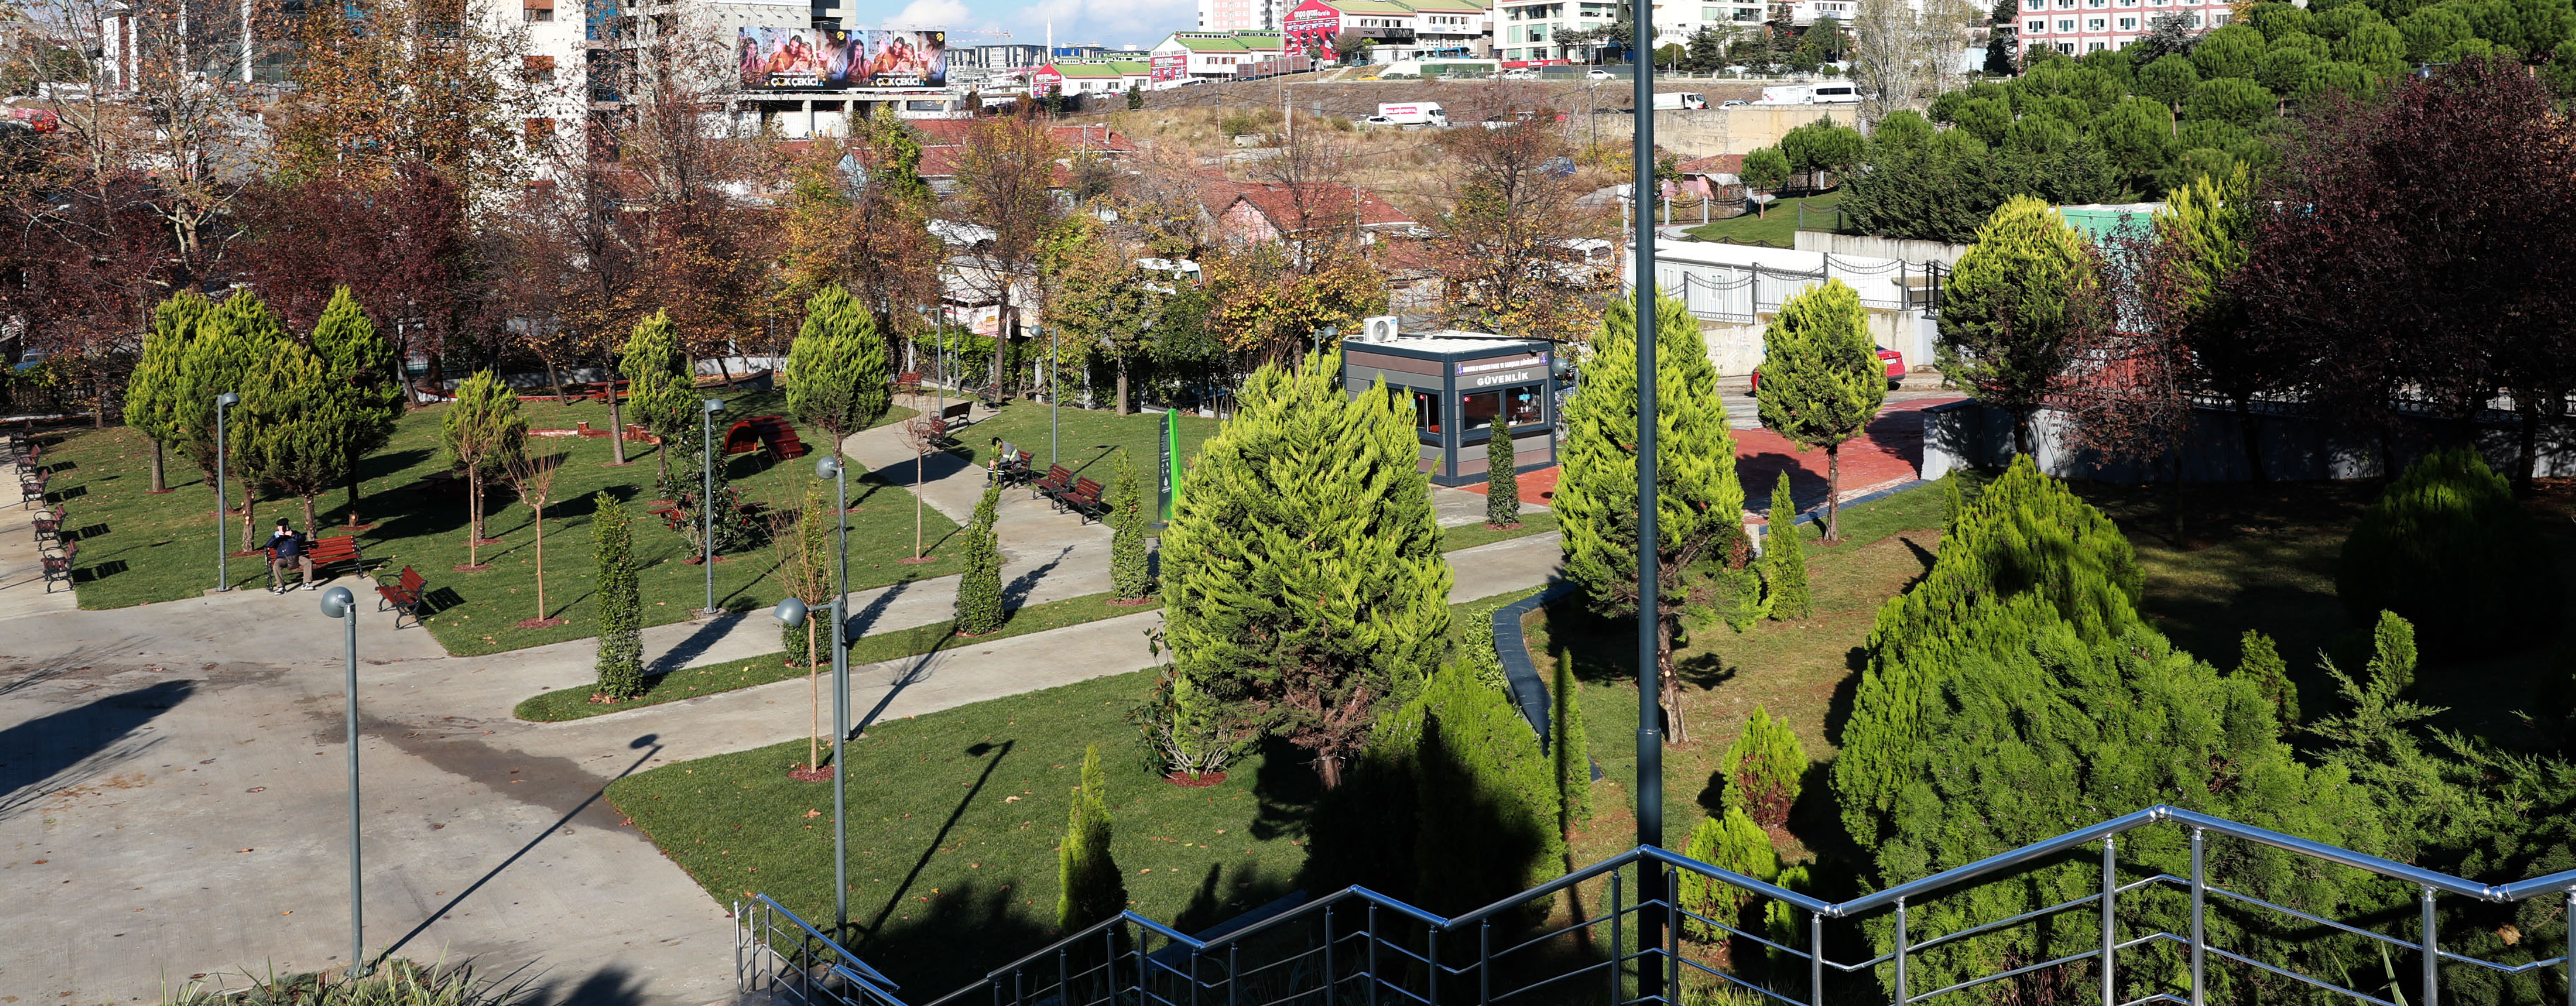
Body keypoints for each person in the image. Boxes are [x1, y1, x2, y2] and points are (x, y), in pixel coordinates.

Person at [268, 518, 316, 592]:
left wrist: (293, 535)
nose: (283, 529)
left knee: (307, 562)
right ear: (278, 528)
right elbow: (269, 545)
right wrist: (276, 536)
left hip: (297, 557)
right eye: (281, 527)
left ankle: (306, 583)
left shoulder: (294, 534)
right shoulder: (277, 537)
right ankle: (281, 587)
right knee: (276, 566)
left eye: (284, 526)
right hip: (283, 558)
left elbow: (303, 538)